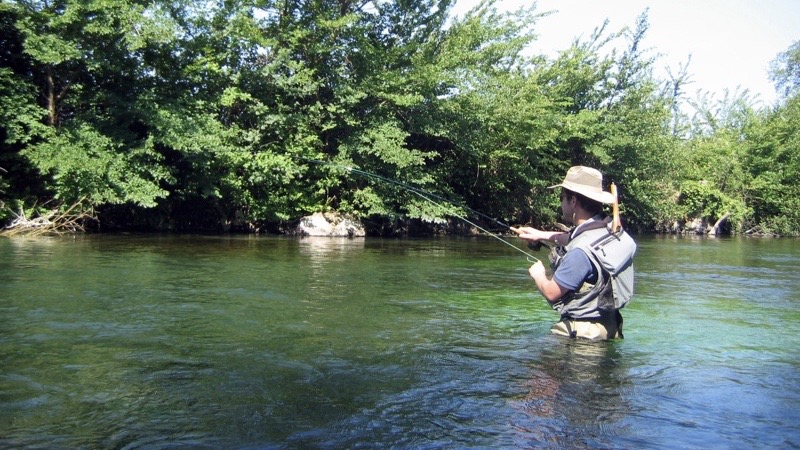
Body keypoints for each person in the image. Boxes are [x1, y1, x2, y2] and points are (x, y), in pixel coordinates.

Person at [513, 166, 635, 340]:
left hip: (583, 336)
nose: (560, 203)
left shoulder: (580, 251)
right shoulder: (610, 230)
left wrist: (538, 275)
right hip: (610, 327)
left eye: (562, 197)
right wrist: (539, 234)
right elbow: (575, 237)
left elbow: (551, 292)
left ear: (573, 201)